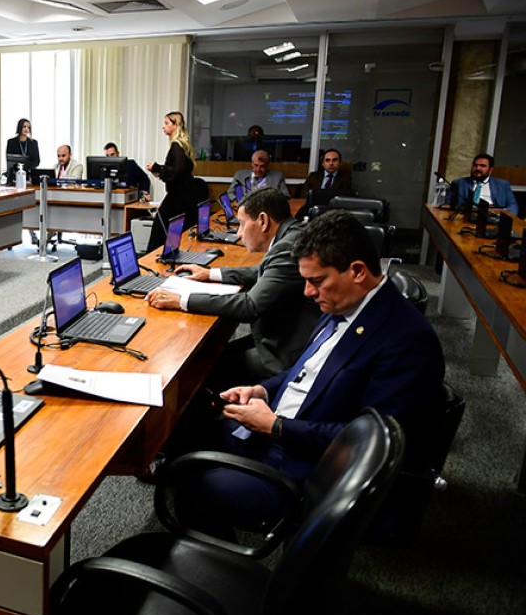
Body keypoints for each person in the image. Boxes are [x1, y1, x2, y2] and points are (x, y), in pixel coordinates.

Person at [183, 210, 444, 537]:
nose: (307, 292)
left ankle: (227, 566)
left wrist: (276, 427)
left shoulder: (407, 341)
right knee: (188, 432)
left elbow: (369, 444)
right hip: (283, 430)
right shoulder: (345, 303)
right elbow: (304, 372)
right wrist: (262, 390)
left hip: (308, 470)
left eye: (316, 281)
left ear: (357, 271)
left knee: (191, 490)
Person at [145, 189, 320, 384]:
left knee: (203, 369)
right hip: (283, 334)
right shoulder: (292, 235)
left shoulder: (287, 248)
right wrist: (210, 274)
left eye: (242, 224)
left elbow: (250, 306)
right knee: (213, 355)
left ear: (263, 221)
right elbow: (263, 271)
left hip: (283, 353)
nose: (239, 233)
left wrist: (181, 300)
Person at [145, 111, 203, 252]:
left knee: (159, 229)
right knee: (175, 230)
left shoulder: (176, 146)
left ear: (175, 125)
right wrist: (158, 170)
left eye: (166, 123)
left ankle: (151, 259)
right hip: (184, 196)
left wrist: (157, 167)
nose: (163, 126)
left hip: (178, 197)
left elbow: (177, 170)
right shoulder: (183, 145)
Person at [447, 153, 518, 215]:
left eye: (482, 166)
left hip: (493, 215)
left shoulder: (502, 184)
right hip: (467, 215)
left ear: (490, 170)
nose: (478, 168)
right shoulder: (459, 183)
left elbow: (513, 206)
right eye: (475, 165)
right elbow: (447, 205)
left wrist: (499, 214)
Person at [296, 148, 352, 218]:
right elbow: (304, 194)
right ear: (323, 163)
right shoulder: (313, 176)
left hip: (333, 212)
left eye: (334, 160)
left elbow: (342, 198)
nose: (331, 163)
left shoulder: (345, 178)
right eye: (327, 160)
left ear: (340, 162)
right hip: (313, 209)